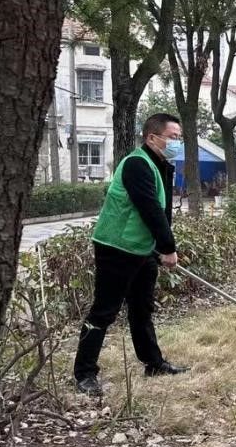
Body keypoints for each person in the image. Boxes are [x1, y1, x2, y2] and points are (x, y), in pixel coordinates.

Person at [73, 113, 188, 397]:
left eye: (179, 138)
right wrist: (169, 247)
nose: (177, 142)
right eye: (173, 137)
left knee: (141, 308)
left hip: (141, 248)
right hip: (116, 247)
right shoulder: (137, 164)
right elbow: (149, 208)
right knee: (104, 311)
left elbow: (162, 212)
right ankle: (84, 373)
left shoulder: (159, 164)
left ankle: (153, 363)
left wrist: (159, 248)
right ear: (152, 137)